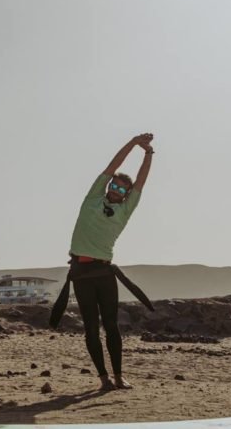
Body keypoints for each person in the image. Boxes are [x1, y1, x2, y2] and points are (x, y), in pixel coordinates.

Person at [53, 134, 156, 391]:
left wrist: (148, 154)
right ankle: (103, 379)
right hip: (81, 272)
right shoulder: (93, 198)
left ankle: (119, 377)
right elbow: (112, 166)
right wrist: (133, 143)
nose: (116, 190)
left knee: (111, 326)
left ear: (126, 195)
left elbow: (141, 182)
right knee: (90, 327)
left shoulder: (125, 209)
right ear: (108, 185)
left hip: (104, 272)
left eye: (122, 189)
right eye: (114, 185)